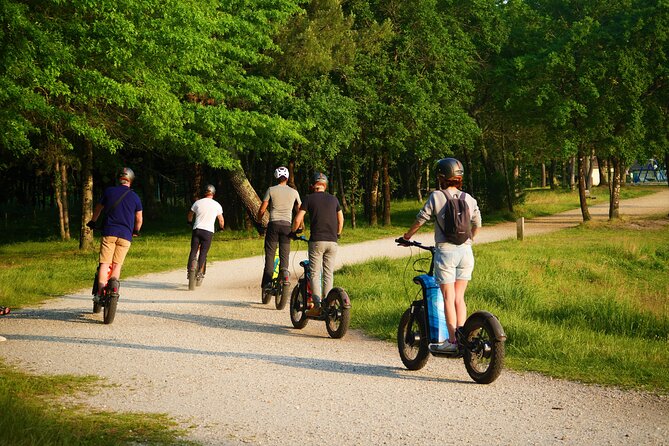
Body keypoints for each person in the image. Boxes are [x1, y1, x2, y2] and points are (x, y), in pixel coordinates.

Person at [401, 158, 482, 353]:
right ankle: (463, 338)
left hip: (446, 252)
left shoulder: (437, 196)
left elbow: (421, 218)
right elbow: (478, 223)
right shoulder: (469, 198)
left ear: (441, 177)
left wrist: (407, 236)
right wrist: (469, 239)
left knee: (448, 297)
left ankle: (452, 341)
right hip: (466, 252)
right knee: (459, 297)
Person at [291, 172, 344, 317]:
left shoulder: (309, 198)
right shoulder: (334, 199)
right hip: (332, 242)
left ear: (313, 185)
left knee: (315, 273)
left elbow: (297, 220)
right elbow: (341, 219)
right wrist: (337, 234)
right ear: (325, 185)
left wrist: (293, 232)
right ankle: (329, 303)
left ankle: (317, 305)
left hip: (317, 241)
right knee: (328, 273)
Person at [87, 167, 143, 302]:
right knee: (117, 265)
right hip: (125, 236)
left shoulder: (109, 191)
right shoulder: (135, 197)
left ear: (119, 179)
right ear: (131, 180)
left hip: (109, 232)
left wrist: (93, 222)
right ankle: (114, 288)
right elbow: (139, 219)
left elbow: (98, 208)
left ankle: (99, 293)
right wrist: (136, 231)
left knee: (105, 263)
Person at [257, 167, 302, 294]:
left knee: (270, 255)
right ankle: (284, 278)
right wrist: (299, 226)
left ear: (276, 177)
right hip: (287, 226)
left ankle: (267, 285)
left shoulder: (271, 190)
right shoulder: (294, 192)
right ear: (287, 178)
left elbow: (262, 210)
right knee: (284, 255)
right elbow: (300, 210)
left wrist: (259, 221)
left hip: (273, 225)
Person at [187, 184, 224, 281]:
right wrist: (221, 228)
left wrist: (189, 222)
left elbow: (190, 214)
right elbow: (221, 221)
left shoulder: (197, 203)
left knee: (194, 250)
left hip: (197, 229)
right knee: (203, 252)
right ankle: (199, 272)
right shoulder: (217, 205)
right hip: (208, 232)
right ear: (213, 194)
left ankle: (189, 270)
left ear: (204, 193)